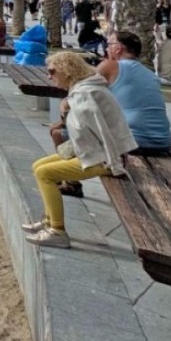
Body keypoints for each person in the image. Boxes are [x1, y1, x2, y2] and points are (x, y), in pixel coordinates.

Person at [23, 52, 137, 248]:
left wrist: (114, 163)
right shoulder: (82, 90)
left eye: (52, 71)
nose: (49, 76)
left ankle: (57, 231)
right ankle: (48, 220)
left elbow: (103, 133)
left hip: (106, 159)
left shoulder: (86, 94)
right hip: (98, 154)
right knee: (38, 166)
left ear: (67, 71)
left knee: (45, 174)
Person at [98, 31, 171, 155]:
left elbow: (83, 86)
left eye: (109, 44)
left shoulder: (110, 66)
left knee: (63, 134)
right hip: (163, 143)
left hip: (134, 141)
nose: (106, 48)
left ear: (118, 48)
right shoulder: (151, 75)